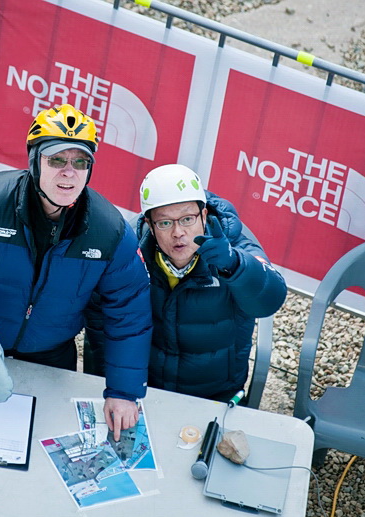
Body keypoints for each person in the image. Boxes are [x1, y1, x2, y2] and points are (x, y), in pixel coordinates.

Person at [0, 104, 152, 440]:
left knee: (35, 451)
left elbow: (129, 310)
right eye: (57, 160)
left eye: (80, 162)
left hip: (50, 352)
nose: (69, 172)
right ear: (34, 161)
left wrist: (124, 391)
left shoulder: (110, 231)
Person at [85, 164, 287, 402]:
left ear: (204, 216)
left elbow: (269, 300)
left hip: (214, 392)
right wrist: (110, 387)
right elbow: (100, 324)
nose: (178, 232)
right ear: (149, 225)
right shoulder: (128, 248)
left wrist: (234, 265)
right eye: (165, 223)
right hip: (143, 387)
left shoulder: (233, 244)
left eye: (187, 219)